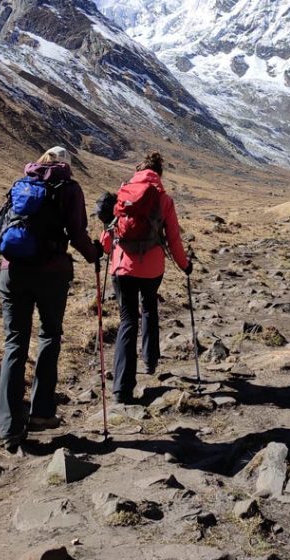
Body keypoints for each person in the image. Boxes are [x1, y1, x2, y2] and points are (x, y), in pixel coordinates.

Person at [0, 146, 102, 451]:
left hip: (12, 271)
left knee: (14, 342)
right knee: (49, 336)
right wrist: (95, 254)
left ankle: (8, 426)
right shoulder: (68, 188)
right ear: (66, 165)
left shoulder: (22, 182)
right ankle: (41, 413)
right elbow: (78, 233)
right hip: (51, 273)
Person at [101, 152, 191, 404]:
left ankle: (121, 388)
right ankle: (150, 360)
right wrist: (185, 266)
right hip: (151, 268)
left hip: (122, 267)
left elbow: (110, 231)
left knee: (127, 320)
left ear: (138, 171)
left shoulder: (123, 194)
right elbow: (173, 238)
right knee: (149, 306)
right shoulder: (164, 199)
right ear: (158, 174)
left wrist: (105, 248)